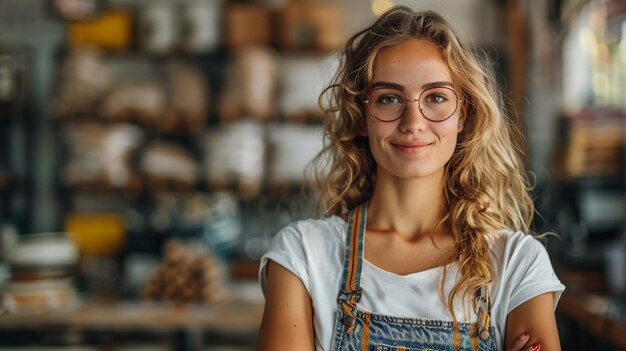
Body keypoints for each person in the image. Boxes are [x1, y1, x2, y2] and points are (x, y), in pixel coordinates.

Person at [257, 6, 564, 351]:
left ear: (461, 114)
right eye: (389, 99)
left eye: (435, 97)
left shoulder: (516, 263)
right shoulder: (303, 256)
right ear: (361, 115)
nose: (413, 122)